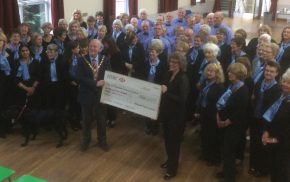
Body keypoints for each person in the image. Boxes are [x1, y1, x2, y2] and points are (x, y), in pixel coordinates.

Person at [216, 62, 249, 182]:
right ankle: (226, 171)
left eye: (232, 72)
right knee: (225, 150)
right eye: (229, 71)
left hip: (233, 127)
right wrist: (219, 117)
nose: (229, 74)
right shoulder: (231, 86)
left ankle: (229, 177)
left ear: (239, 75)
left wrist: (224, 123)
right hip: (225, 124)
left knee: (229, 152)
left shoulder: (243, 91)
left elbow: (238, 114)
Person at [77, 39, 111, 152]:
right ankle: (86, 140)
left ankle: (102, 141)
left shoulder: (105, 59)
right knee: (86, 120)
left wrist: (103, 82)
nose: (92, 49)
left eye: (95, 47)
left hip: (101, 95)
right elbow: (80, 78)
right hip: (86, 94)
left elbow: (109, 75)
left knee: (101, 119)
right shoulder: (81, 60)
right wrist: (95, 83)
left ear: (99, 48)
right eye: (91, 46)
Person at [159, 52, 189, 180]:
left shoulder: (183, 78)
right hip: (166, 113)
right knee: (167, 139)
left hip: (176, 116)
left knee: (174, 143)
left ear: (180, 65)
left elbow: (182, 99)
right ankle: (170, 160)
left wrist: (166, 93)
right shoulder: (168, 74)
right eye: (170, 61)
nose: (171, 64)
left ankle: (172, 169)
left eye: (174, 62)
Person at [249, 61, 281, 177]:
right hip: (255, 119)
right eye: (267, 70)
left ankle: (262, 169)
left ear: (276, 74)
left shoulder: (277, 89)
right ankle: (253, 165)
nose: (268, 73)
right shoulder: (259, 83)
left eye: (271, 71)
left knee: (263, 146)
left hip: (266, 123)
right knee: (254, 143)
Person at [262, 67, 290, 182]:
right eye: (284, 81)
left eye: (289, 83)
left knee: (282, 173)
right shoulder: (279, 96)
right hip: (272, 140)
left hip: (284, 145)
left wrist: (274, 139)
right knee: (273, 170)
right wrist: (266, 131)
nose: (285, 84)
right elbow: (270, 115)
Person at [195, 63, 224, 166]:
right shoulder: (205, 82)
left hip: (213, 114)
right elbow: (201, 97)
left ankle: (213, 158)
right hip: (204, 112)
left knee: (213, 136)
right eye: (208, 71)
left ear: (217, 73)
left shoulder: (219, 86)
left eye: (212, 71)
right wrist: (198, 110)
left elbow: (219, 104)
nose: (209, 73)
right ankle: (205, 153)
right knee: (204, 134)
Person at [101, 37, 126, 128]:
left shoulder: (117, 53)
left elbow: (121, 66)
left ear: (110, 43)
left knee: (112, 100)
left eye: (106, 43)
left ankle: (113, 119)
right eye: (104, 43)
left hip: (115, 78)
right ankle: (107, 117)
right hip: (105, 77)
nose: (104, 45)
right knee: (106, 99)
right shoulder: (103, 53)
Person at [144, 39, 167, 135]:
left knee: (155, 110)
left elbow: (164, 79)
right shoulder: (146, 63)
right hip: (146, 90)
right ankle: (148, 126)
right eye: (150, 52)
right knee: (146, 108)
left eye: (153, 52)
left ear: (158, 53)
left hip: (156, 92)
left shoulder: (162, 65)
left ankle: (155, 127)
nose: (151, 54)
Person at [62, 41, 82, 130]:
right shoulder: (66, 59)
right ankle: (72, 122)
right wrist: (71, 81)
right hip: (69, 85)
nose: (79, 49)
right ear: (72, 49)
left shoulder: (80, 57)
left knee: (79, 104)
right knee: (72, 104)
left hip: (79, 83)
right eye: (77, 48)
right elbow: (64, 73)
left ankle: (79, 121)